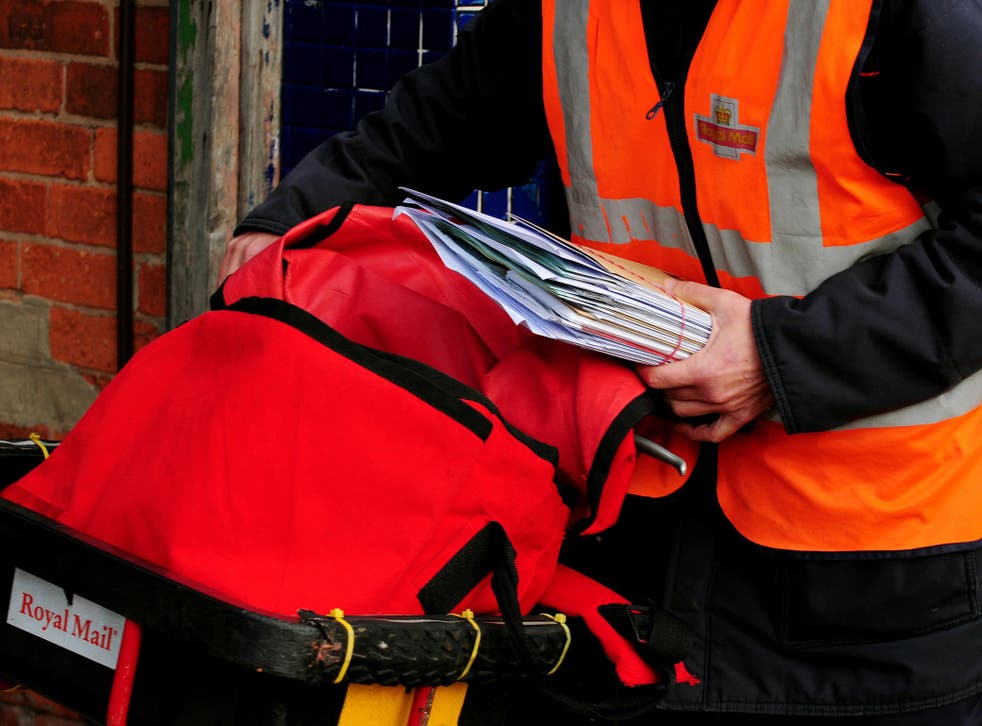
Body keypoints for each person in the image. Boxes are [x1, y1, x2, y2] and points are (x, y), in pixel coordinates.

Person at [222, 1, 982, 723]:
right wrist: (289, 220)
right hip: (631, 547)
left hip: (877, 590)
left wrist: (777, 352)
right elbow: (445, 119)